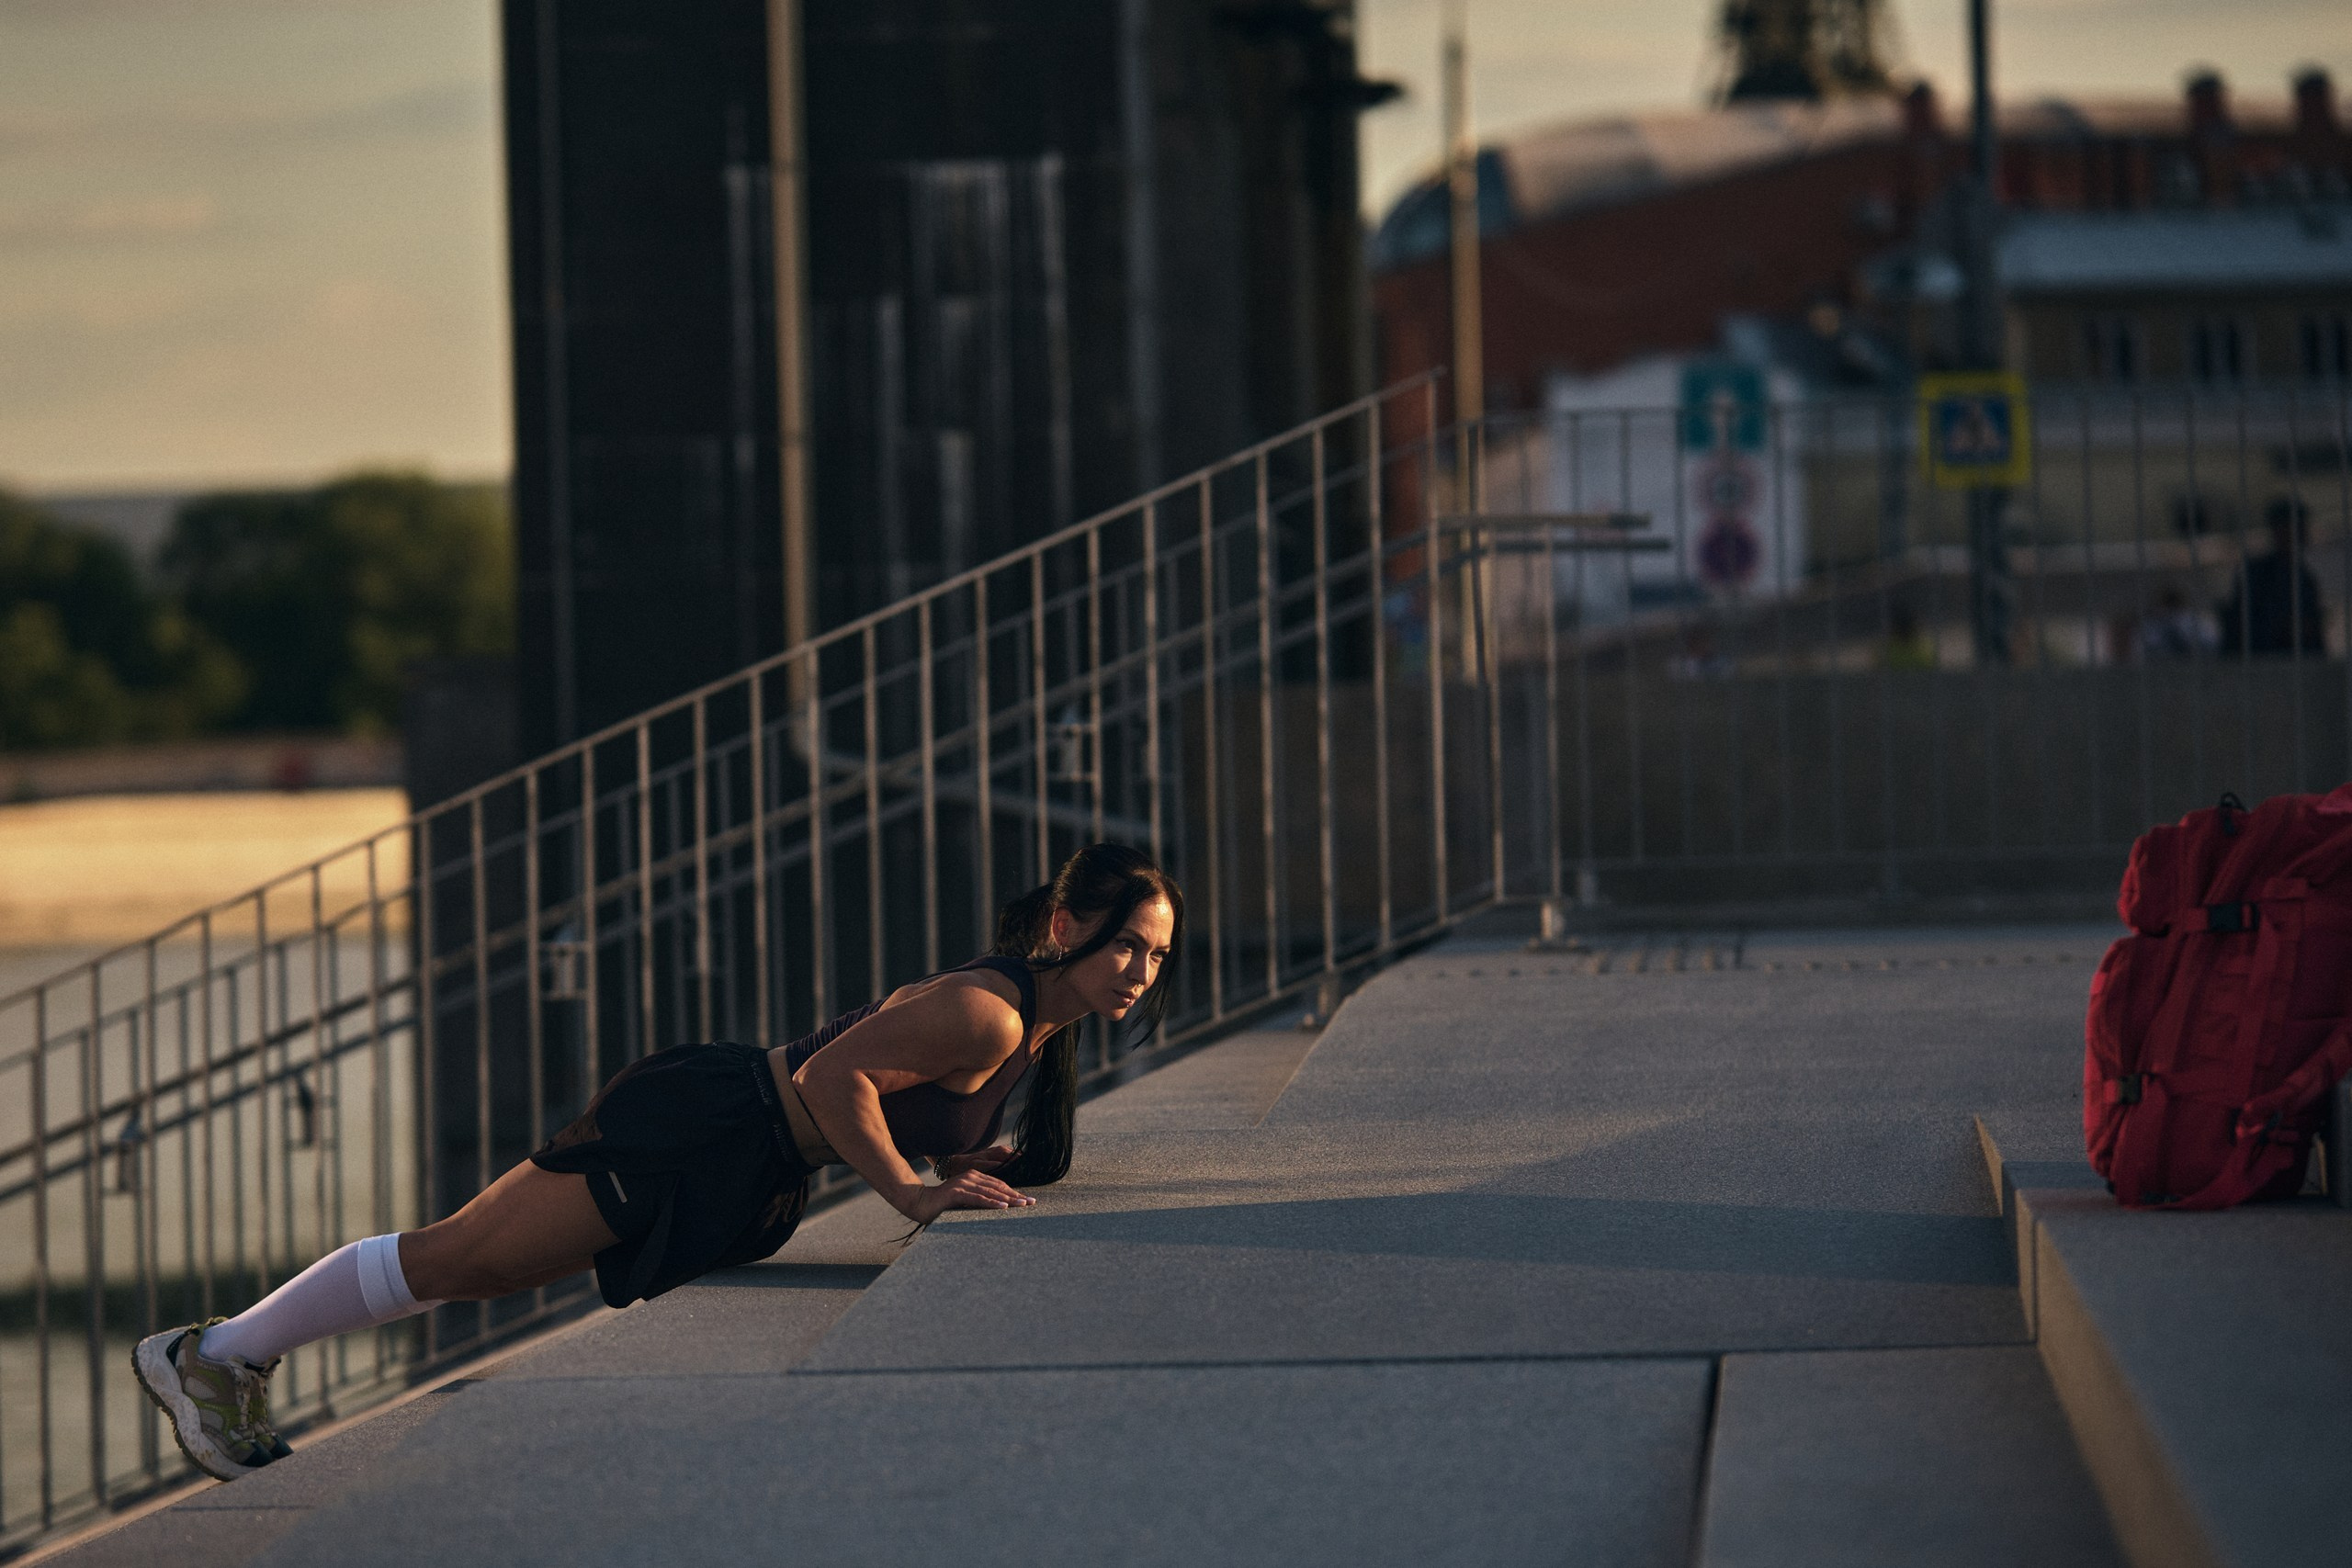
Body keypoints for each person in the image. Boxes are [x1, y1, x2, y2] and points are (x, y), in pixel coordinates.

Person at [132, 843, 1183, 1482]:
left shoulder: (1033, 1027)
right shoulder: (989, 1011)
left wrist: (957, 1154)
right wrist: (908, 1189)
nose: (1141, 969)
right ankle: (212, 1352)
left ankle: (231, 1353)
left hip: (739, 1161)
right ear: (1065, 925)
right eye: (1127, 943)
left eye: (1158, 953)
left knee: (487, 1269)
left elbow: (894, 1095)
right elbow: (831, 1081)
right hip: (705, 1127)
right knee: (463, 1257)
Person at [2217, 497, 2327, 656]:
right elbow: (2245, 625)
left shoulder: (2303, 575)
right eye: (2296, 527)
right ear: (2279, 530)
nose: (2303, 534)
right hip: (2266, 663)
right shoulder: (2259, 573)